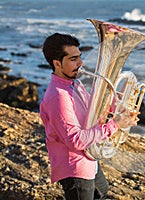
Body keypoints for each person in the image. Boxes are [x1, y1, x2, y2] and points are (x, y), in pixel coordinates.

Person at [39, 33, 138, 200]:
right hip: (75, 167)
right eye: (73, 59)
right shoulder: (58, 97)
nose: (80, 63)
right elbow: (75, 140)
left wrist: (118, 108)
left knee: (102, 191)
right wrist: (115, 125)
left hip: (89, 157)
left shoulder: (74, 83)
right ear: (57, 63)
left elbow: (93, 112)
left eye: (80, 57)